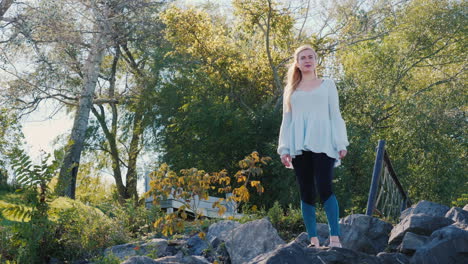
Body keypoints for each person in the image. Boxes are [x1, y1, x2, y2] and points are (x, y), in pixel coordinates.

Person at [277, 44, 349, 248]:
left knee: (325, 187)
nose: (307, 60)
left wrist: (341, 142)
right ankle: (313, 240)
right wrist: (284, 148)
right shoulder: (290, 90)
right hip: (299, 145)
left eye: (311, 57)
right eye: (303, 58)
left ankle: (335, 238)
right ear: (297, 63)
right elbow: (287, 120)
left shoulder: (328, 84)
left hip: (324, 142)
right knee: (306, 191)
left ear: (316, 61)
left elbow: (335, 115)